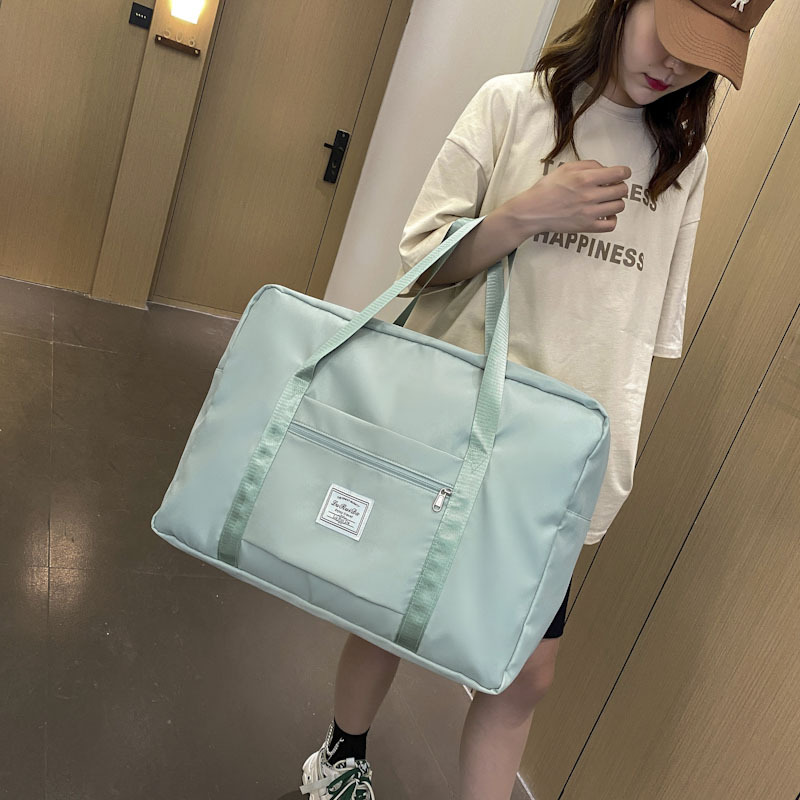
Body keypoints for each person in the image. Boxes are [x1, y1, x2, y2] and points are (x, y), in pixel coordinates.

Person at [300, 0, 776, 797]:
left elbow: (636, 334)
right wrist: (524, 214)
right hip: (457, 421)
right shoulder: (509, 105)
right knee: (391, 610)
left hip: (564, 461)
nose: (677, 66)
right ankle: (340, 759)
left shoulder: (682, 162)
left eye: (704, 56)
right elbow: (419, 267)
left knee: (524, 676)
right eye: (672, 35)